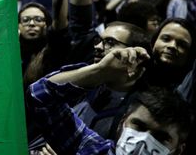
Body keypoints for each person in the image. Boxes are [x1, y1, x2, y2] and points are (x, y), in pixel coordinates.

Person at [29, 47, 191, 154]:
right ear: (122, 123)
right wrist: (99, 72)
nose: (143, 141)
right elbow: (41, 94)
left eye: (161, 137)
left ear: (178, 150)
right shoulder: (92, 149)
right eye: (139, 126)